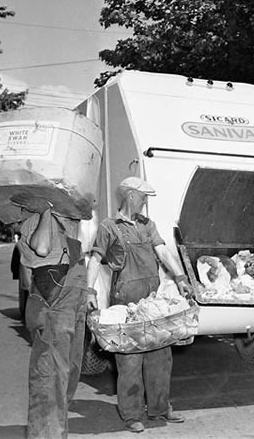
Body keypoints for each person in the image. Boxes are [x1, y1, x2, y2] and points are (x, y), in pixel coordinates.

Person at [86, 176, 191, 434]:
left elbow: (163, 252)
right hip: (125, 301)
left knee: (160, 357)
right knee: (130, 361)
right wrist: (89, 290)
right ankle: (132, 414)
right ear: (131, 195)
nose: (145, 202)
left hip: (153, 302)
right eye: (143, 197)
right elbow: (95, 259)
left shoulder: (147, 225)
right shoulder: (109, 226)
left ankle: (159, 408)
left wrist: (180, 277)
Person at [16, 199, 88, 438]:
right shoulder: (34, 220)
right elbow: (43, 249)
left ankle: (57, 431)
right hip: (52, 303)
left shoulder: (65, 217)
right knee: (49, 377)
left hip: (71, 297)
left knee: (69, 371)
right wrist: (45, 210)